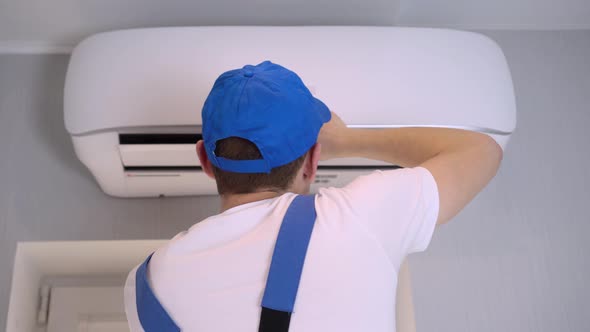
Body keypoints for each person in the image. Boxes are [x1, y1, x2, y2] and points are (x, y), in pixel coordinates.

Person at [124, 61, 502, 332]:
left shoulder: (146, 284)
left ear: (205, 159)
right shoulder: (358, 218)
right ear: (313, 160)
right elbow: (482, 151)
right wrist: (351, 140)